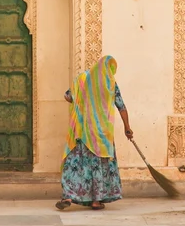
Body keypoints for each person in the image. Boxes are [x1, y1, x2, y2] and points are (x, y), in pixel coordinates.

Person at [55, 55, 133, 211]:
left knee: (76, 164)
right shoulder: (110, 83)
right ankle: (96, 201)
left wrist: (81, 102)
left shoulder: (82, 78)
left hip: (82, 132)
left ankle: (69, 196)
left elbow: (67, 96)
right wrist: (127, 127)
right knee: (98, 166)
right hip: (101, 135)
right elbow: (121, 106)